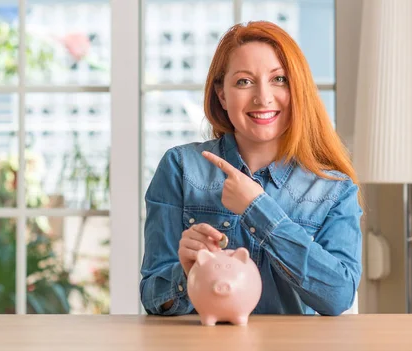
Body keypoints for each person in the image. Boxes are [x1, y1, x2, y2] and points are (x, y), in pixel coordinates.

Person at [139, 21, 363, 316]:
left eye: (279, 79)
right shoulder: (181, 168)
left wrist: (257, 208)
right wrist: (187, 274)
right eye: (244, 81)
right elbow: (154, 297)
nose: (263, 97)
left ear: (298, 89)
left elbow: (338, 296)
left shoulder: (333, 188)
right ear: (221, 95)